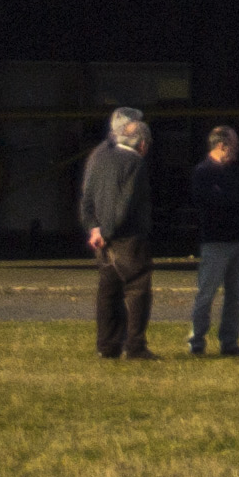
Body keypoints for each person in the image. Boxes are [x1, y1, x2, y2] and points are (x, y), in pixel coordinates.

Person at [79, 106, 158, 360]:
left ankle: (107, 346)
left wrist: (94, 228)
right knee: (137, 289)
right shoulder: (135, 163)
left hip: (99, 237)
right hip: (127, 238)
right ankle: (135, 346)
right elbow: (126, 203)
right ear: (141, 143)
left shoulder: (98, 155)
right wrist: (109, 231)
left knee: (107, 291)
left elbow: (86, 197)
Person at [187, 125, 239, 357]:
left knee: (236, 295)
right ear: (221, 145)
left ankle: (230, 341)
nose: (237, 150)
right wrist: (232, 201)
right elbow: (207, 203)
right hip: (215, 242)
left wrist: (229, 199)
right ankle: (197, 339)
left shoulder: (235, 172)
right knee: (207, 292)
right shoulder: (203, 172)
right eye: (233, 144)